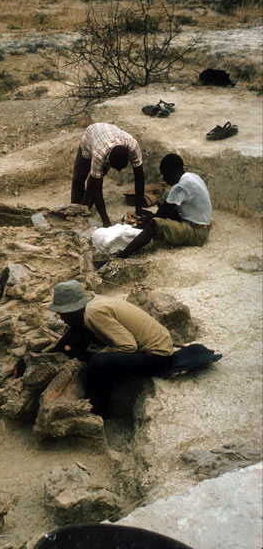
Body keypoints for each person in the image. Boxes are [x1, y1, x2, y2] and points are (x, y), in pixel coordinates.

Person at [49, 280, 174, 417]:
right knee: (77, 333)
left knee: (98, 362)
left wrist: (90, 354)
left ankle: (98, 411)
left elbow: (128, 346)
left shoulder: (94, 313)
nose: (61, 318)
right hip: (155, 345)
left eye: (63, 313)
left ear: (73, 310)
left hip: (157, 358)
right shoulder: (92, 304)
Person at [117, 153, 212, 258]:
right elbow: (166, 209)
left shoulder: (180, 187)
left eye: (164, 174)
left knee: (155, 224)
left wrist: (141, 226)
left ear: (171, 171)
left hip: (197, 233)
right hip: (201, 225)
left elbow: (159, 217)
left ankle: (122, 255)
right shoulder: (192, 176)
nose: (164, 179)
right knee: (167, 196)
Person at [71, 123, 145, 227]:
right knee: (78, 179)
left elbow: (140, 177)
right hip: (91, 136)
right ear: (108, 161)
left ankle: (84, 208)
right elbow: (98, 190)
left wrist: (139, 210)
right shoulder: (99, 154)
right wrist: (106, 221)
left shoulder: (133, 146)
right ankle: (74, 211)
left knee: (92, 185)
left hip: (109, 134)